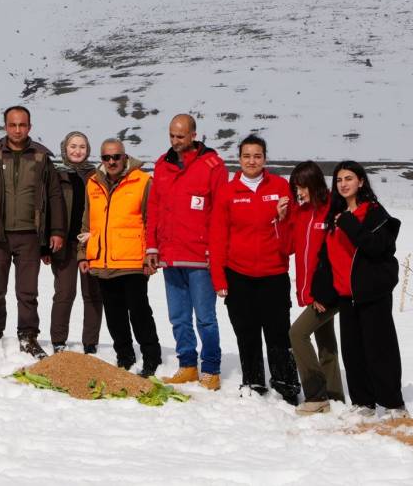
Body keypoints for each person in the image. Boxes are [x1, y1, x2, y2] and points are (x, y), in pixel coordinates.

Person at [209, 136, 300, 404]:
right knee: (246, 332)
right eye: (247, 156)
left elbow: (290, 241)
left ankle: (286, 383)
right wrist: (219, 278)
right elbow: (217, 238)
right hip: (239, 275)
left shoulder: (280, 187)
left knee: (278, 332)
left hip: (273, 274)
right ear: (239, 159)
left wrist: (283, 219)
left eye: (257, 156)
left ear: (265, 158)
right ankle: (253, 381)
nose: (252, 161)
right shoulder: (228, 191)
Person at [318, 161, 406, 417]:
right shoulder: (335, 216)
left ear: (361, 182)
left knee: (380, 350)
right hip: (346, 296)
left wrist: (349, 223)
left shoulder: (374, 213)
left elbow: (378, 247)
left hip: (372, 293)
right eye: (338, 180)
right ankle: (363, 404)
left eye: (348, 178)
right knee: (353, 352)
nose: (343, 184)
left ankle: (393, 405)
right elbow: (328, 258)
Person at [0, 106, 65, 359]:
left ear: (29, 126)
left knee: (27, 291)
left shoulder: (40, 157)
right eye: (13, 125)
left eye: (22, 125)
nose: (17, 129)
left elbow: (55, 195)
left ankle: (28, 336)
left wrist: (56, 230)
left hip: (29, 235)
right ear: (5, 126)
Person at [146, 113, 227, 390]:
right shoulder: (162, 164)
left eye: (180, 136)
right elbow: (154, 208)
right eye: (171, 135)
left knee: (205, 318)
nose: (175, 141)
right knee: (178, 317)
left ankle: (212, 368)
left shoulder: (212, 165)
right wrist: (152, 245)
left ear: (194, 135)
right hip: (170, 254)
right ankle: (188, 365)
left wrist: (215, 253)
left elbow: (219, 213)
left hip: (199, 256)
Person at [80, 140, 161, 376]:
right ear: (102, 159)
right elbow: (87, 221)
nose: (112, 162)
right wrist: (83, 254)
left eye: (116, 157)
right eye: (107, 158)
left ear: (125, 157)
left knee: (139, 312)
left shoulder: (143, 181)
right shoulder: (93, 183)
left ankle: (151, 357)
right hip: (103, 261)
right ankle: (124, 356)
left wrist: (150, 254)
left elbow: (151, 221)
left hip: (133, 261)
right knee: (114, 314)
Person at [286, 160, 345, 415]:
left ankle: (315, 393)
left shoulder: (333, 209)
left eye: (302, 187)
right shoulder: (302, 211)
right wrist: (283, 216)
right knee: (326, 340)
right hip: (312, 291)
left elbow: (335, 256)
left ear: (314, 183)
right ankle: (334, 396)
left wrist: (322, 292)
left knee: (297, 334)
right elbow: (291, 247)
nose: (299, 192)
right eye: (296, 187)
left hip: (329, 291)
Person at [47, 130, 100, 354]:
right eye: (73, 146)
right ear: (64, 149)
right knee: (64, 292)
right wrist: (45, 244)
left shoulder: (97, 175)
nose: (77, 151)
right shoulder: (56, 175)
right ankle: (58, 340)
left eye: (82, 147)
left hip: (90, 242)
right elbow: (47, 209)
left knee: (93, 294)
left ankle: (90, 342)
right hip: (64, 243)